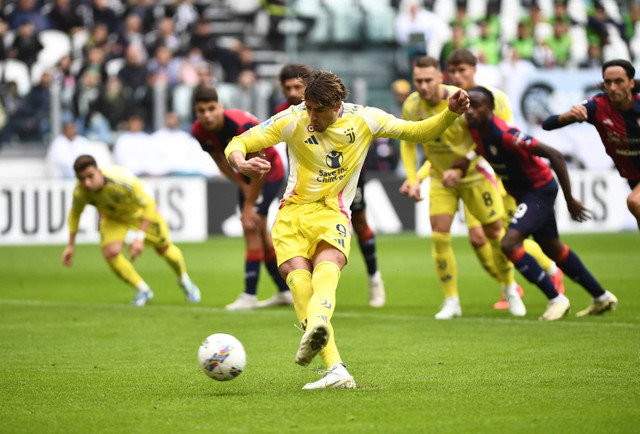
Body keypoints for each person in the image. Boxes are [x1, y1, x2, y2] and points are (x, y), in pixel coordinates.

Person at [225, 70, 469, 389]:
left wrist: (449, 112)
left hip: (333, 213)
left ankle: (321, 334)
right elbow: (240, 141)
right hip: (292, 215)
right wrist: (241, 162)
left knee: (326, 273)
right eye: (307, 107)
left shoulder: (365, 119)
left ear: (337, 103)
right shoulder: (293, 118)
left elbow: (418, 132)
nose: (310, 116)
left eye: (318, 110)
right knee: (300, 284)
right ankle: (336, 368)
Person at [450, 86, 618, 319]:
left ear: (490, 108)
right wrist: (464, 162)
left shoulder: (506, 134)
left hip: (539, 191)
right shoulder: (474, 127)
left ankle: (556, 299)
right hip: (526, 193)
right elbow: (480, 148)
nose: (471, 111)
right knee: (553, 249)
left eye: (477, 106)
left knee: (509, 244)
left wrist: (570, 200)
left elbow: (555, 155)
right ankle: (601, 297)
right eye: (470, 106)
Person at [399, 56, 525, 320]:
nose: (422, 86)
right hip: (441, 181)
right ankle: (452, 301)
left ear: (440, 78)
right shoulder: (412, 105)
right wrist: (413, 179)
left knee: (494, 234)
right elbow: (408, 141)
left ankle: (509, 289)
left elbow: (485, 139)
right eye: (418, 80)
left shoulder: (463, 101)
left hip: (475, 176)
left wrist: (462, 167)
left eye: (428, 80)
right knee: (439, 235)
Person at [445, 49, 565, 310]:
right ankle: (508, 285)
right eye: (452, 71)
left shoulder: (495, 97)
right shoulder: (450, 99)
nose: (456, 76)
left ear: (474, 70)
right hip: (469, 179)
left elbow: (502, 139)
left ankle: (550, 270)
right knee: (478, 240)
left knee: (505, 237)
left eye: (461, 70)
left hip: (496, 176)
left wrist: (472, 162)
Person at [275, 63, 386, 307]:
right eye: (288, 87)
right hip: (308, 183)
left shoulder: (333, 108)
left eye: (298, 87)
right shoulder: (286, 112)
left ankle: (374, 279)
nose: (293, 92)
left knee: (360, 222)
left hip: (343, 180)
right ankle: (313, 290)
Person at [191, 86, 293, 311]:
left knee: (251, 226)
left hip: (269, 171)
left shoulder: (240, 126)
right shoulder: (199, 131)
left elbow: (259, 168)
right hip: (246, 176)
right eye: (201, 111)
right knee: (260, 232)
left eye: (211, 109)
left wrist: (248, 204)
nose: (207, 115)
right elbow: (219, 161)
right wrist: (241, 186)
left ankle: (249, 295)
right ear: (196, 112)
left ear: (220, 107)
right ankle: (285, 291)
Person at [62, 155, 201, 306]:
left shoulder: (120, 180)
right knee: (110, 252)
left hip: (140, 212)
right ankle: (142, 289)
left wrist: (139, 238)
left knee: (164, 249)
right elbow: (75, 214)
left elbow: (148, 203)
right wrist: (70, 245)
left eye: (90, 176)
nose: (87, 183)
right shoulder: (80, 192)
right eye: (82, 179)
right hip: (113, 217)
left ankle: (183, 279)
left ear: (99, 171)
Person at [542, 59, 640, 230]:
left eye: (618, 81)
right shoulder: (596, 106)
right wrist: (570, 115)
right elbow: (547, 124)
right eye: (608, 82)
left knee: (634, 201)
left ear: (631, 83)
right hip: (633, 176)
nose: (612, 88)